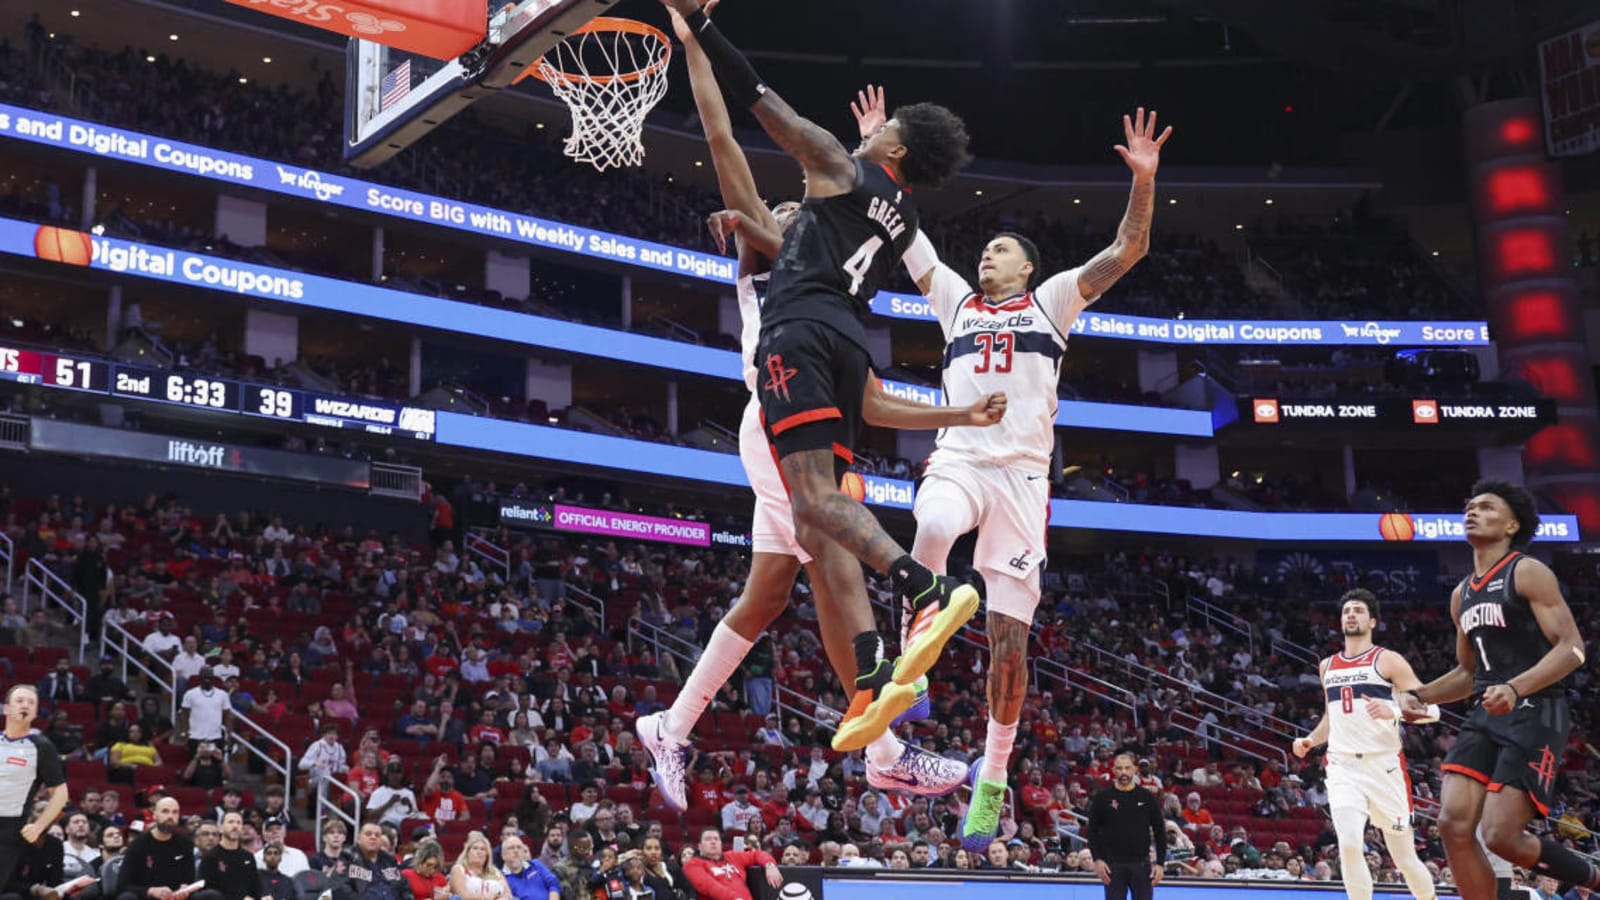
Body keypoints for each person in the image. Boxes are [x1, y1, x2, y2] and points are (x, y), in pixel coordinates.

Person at [633, 6, 990, 809]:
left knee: (776, 582)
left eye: (796, 207)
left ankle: (686, 725)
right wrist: (693, 48)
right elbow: (725, 139)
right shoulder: (775, 240)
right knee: (817, 539)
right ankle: (879, 711)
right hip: (799, 381)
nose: (791, 208)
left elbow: (769, 128)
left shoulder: (796, 231)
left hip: (798, 377)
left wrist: (700, 35)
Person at [869, 88, 1170, 849]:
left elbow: (1127, 250)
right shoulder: (955, 303)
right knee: (929, 525)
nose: (986, 256)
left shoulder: (1053, 302)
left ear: (1029, 266)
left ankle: (992, 776)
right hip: (962, 455)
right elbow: (906, 237)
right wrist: (876, 149)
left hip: (1023, 482)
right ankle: (915, 675)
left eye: (1000, 249)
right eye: (985, 250)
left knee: (1011, 642)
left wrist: (1143, 177)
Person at [1404, 481, 1599, 900]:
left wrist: (1514, 686)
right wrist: (1420, 696)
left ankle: (1596, 879)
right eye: (1469, 506)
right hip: (1486, 713)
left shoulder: (1526, 571)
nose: (1473, 512)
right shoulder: (1462, 595)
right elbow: (1467, 673)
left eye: (1487, 507)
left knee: (1500, 836)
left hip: (1537, 709)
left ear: (1511, 524)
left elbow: (1573, 649)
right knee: (1452, 825)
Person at [1291, 588, 1440, 900]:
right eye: (1347, 611)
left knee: (1404, 858)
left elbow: (1432, 710)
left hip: (1384, 767)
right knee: (1348, 844)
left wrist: (1394, 711)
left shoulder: (1388, 660)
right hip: (1342, 765)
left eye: (1358, 610)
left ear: (1372, 621)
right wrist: (1311, 739)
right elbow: (1332, 717)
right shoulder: (1327, 666)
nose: (1351, 615)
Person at [0, 686, 70, 892]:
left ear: (36, 712)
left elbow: (60, 793)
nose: (25, 705)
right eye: (20, 700)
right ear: (6, 708)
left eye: (31, 702)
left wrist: (39, 826)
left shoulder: (42, 746)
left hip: (9, 831)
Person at [1085, 755, 1166, 900]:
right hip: (1112, 866)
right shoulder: (1102, 797)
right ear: (1113, 770)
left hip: (1141, 865)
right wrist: (1097, 859)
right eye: (1119, 768)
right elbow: (1092, 831)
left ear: (1134, 770)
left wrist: (1160, 863)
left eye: (1127, 768)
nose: (1123, 772)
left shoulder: (1147, 797)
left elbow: (1160, 831)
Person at [116, 796, 198, 900]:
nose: (170, 816)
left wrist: (186, 888)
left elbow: (190, 879)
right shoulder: (138, 845)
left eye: (175, 812)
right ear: (154, 815)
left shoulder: (186, 844)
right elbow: (123, 885)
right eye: (165, 811)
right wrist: (150, 891)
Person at [682, 828, 781, 900]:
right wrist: (736, 898)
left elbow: (757, 854)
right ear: (699, 846)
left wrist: (769, 865)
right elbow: (709, 887)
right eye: (708, 839)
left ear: (721, 843)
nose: (713, 842)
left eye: (716, 839)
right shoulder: (692, 864)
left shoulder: (732, 856)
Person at [330, 822, 408, 900]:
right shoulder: (348, 857)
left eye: (377, 835)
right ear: (359, 839)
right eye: (368, 834)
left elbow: (404, 888)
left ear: (381, 840)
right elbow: (339, 888)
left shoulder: (390, 860)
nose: (373, 837)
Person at [196, 811, 258, 900]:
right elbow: (208, 893)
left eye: (238, 823)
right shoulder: (210, 857)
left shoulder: (248, 857)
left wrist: (264, 896)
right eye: (231, 822)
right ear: (221, 828)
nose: (235, 826)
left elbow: (256, 885)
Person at [447, 833, 507, 900]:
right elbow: (463, 896)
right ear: (467, 852)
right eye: (475, 848)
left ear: (487, 854)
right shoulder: (459, 869)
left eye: (483, 849)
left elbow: (508, 895)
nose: (479, 852)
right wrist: (486, 898)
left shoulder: (495, 871)